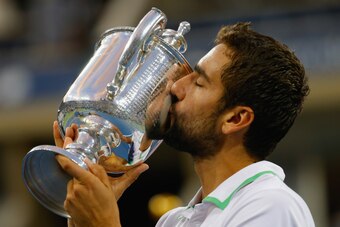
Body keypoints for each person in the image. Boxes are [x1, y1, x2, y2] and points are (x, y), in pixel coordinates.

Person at [55, 22, 315, 226]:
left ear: (235, 119)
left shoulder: (271, 207)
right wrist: (84, 218)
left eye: (199, 82)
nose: (177, 86)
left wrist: (105, 224)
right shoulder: (175, 221)